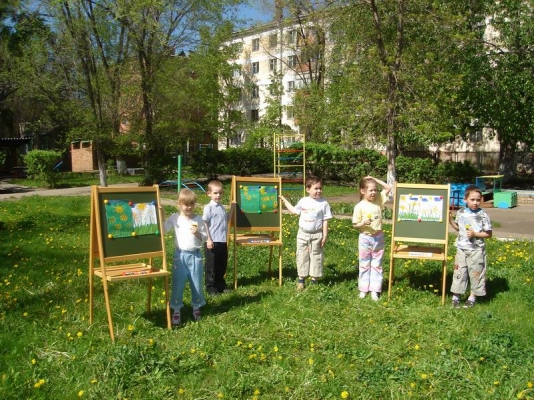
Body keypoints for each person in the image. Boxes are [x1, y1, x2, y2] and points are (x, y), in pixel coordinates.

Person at [161, 188, 208, 325]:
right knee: (178, 284)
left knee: (197, 283)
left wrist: (197, 233)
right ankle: (176, 310)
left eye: (192, 204)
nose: (189, 207)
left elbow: (204, 237)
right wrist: (162, 214)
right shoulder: (175, 218)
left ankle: (196, 307)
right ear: (179, 204)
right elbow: (164, 229)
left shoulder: (198, 219)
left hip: (195, 256)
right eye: (186, 204)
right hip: (180, 256)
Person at [280, 177, 333, 290]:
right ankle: (301, 280)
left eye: (320, 188)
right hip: (303, 234)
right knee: (302, 255)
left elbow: (325, 220)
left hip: (317, 234)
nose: (319, 191)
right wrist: (284, 201)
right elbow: (294, 211)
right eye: (316, 188)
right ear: (308, 189)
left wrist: (325, 235)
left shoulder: (324, 203)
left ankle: (314, 280)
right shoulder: (303, 201)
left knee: (316, 256)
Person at [449, 184, 492, 308]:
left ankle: (472, 297)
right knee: (459, 271)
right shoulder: (461, 212)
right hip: (461, 248)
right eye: (472, 200)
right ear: (465, 200)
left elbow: (489, 234)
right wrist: (450, 220)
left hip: (476, 250)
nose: (475, 203)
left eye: (478, 200)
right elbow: (458, 228)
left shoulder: (483, 215)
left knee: (475, 273)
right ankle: (456, 297)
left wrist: (475, 234)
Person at [352, 176, 392, 301]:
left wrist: (374, 179)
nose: (374, 192)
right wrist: (363, 223)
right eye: (371, 190)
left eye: (375, 190)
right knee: (364, 264)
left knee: (377, 264)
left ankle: (375, 289)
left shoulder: (378, 200)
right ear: (362, 191)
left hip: (378, 237)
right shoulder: (359, 206)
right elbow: (355, 225)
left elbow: (388, 187)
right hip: (365, 238)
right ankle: (363, 289)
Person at [202, 180, 230, 296]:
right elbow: (204, 223)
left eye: (220, 193)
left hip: (222, 240)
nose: (218, 195)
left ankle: (220, 284)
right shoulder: (208, 207)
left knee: (221, 264)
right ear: (209, 193)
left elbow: (227, 219)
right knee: (211, 265)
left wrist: (233, 208)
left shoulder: (222, 207)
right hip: (212, 241)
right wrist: (208, 239)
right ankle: (210, 287)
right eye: (215, 193)